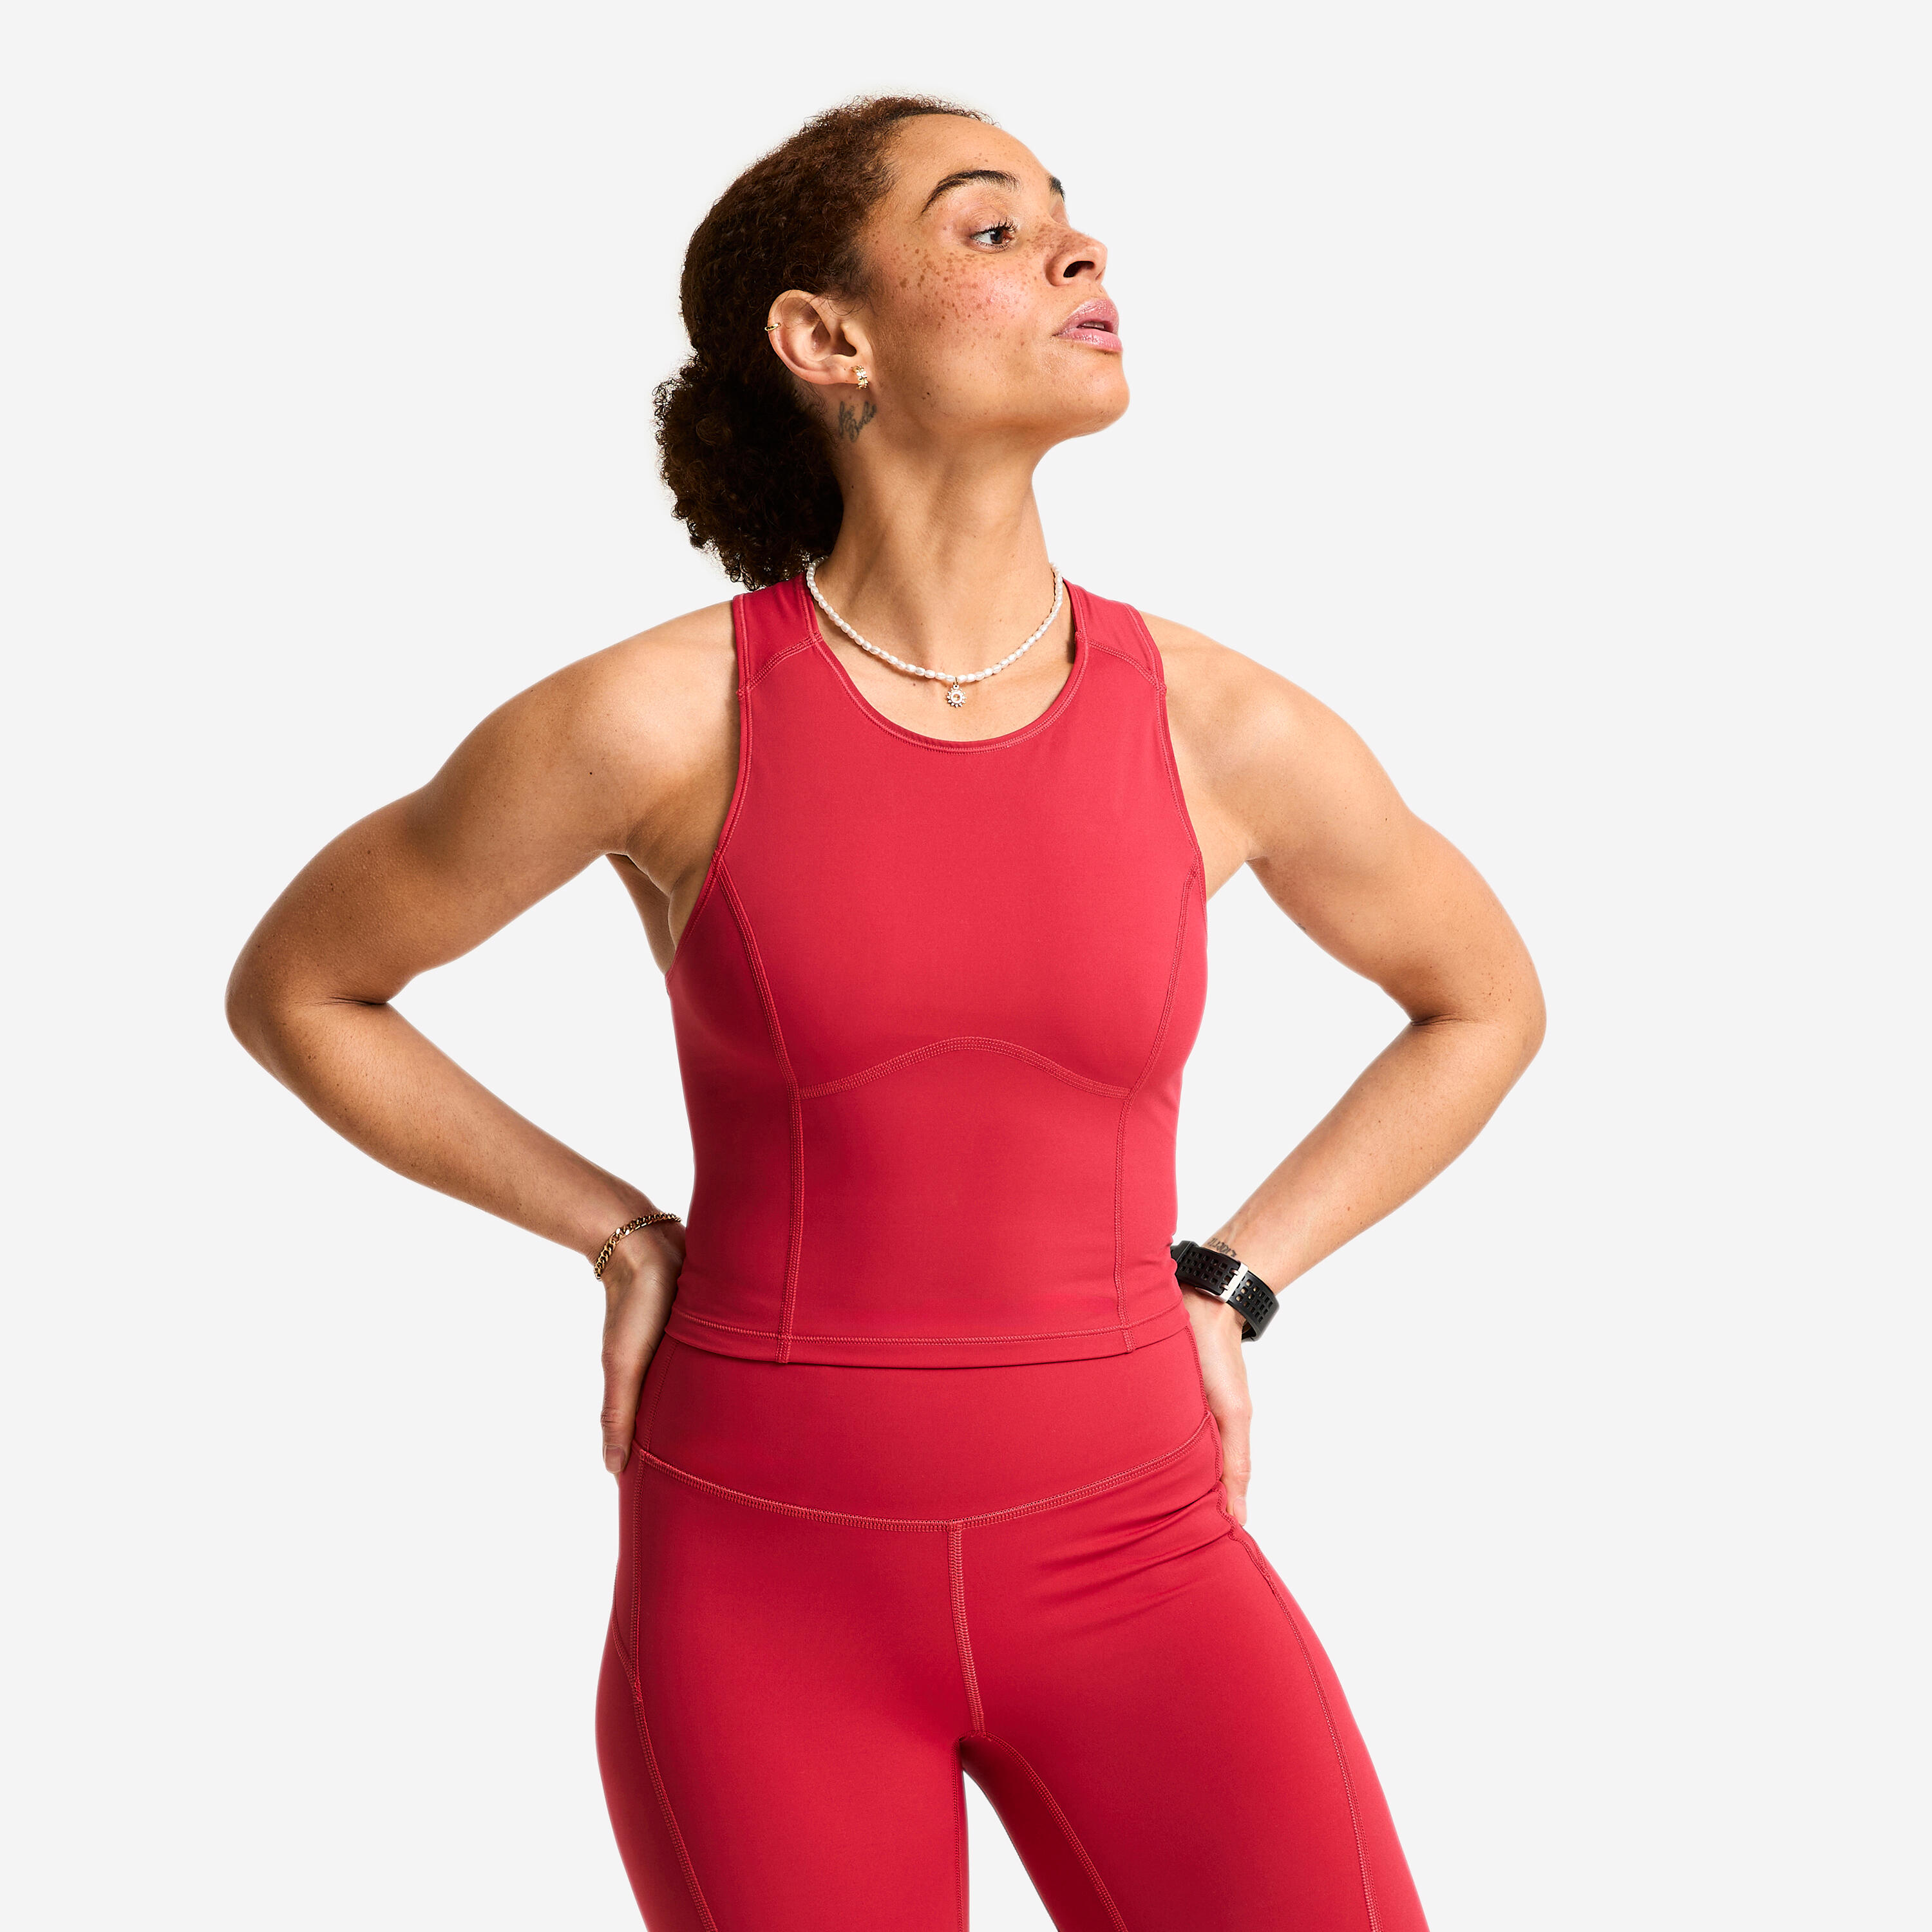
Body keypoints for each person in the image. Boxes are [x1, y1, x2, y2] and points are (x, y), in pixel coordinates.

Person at [226, 92, 1544, 1931]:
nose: (1081, 251)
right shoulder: (656, 720)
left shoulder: (1222, 725)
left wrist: (1233, 1279)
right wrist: (614, 1232)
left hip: (1146, 1555)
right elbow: (304, 987)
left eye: (1069, 216)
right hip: (760, 1586)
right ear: (827, 337)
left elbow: (1480, 1002)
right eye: (992, 228)